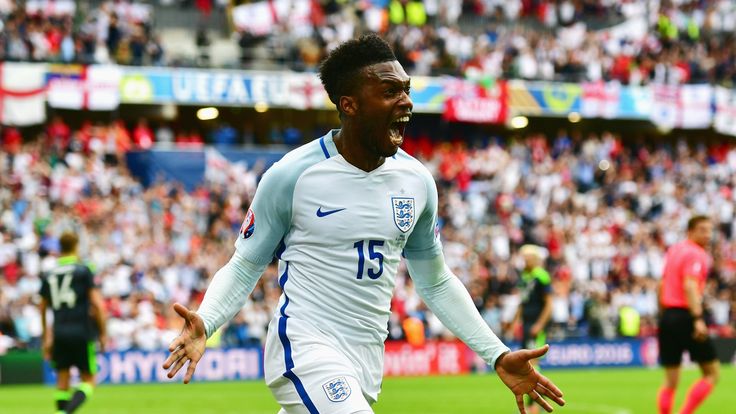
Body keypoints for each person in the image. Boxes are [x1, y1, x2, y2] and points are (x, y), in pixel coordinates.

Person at [163, 34, 565, 414]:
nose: (407, 102)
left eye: (406, 89)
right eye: (391, 92)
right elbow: (246, 263)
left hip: (366, 358)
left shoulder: (417, 181)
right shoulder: (292, 176)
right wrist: (208, 320)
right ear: (350, 104)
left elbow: (436, 281)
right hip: (305, 345)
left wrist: (495, 352)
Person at [657, 216, 719, 414]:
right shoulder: (696, 254)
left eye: (710, 230)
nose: (707, 235)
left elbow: (662, 283)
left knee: (670, 380)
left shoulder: (674, 250)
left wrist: (664, 313)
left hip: (668, 316)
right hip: (687, 316)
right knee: (712, 373)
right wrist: (698, 319)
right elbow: (690, 285)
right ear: (690, 231)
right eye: (702, 230)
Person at [39, 232, 107, 414]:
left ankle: (62, 410)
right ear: (76, 246)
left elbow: (43, 307)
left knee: (62, 382)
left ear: (60, 248)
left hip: (59, 332)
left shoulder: (49, 274)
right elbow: (98, 305)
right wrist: (103, 333)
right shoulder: (83, 270)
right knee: (89, 380)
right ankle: (64, 413)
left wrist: (46, 337)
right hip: (81, 331)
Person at [513, 244, 553, 414]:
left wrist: (540, 324)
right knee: (527, 364)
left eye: (527, 257)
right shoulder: (524, 277)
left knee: (533, 363)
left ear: (535, 259)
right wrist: (515, 320)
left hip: (536, 324)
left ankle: (533, 405)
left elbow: (549, 304)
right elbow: (523, 302)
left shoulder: (541, 276)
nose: (525, 260)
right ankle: (535, 402)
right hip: (526, 324)